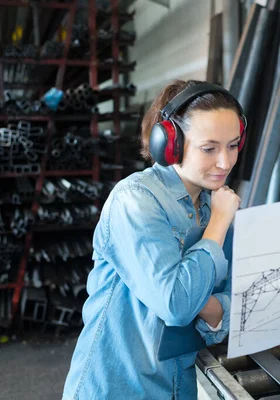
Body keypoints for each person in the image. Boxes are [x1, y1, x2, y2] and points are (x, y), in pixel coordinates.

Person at [62, 80, 245, 399]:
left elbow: (225, 312)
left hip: (177, 388)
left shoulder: (214, 203)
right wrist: (217, 226)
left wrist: (201, 300)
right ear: (169, 143)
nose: (225, 162)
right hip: (117, 388)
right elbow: (176, 305)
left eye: (233, 145)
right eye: (209, 148)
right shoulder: (135, 201)